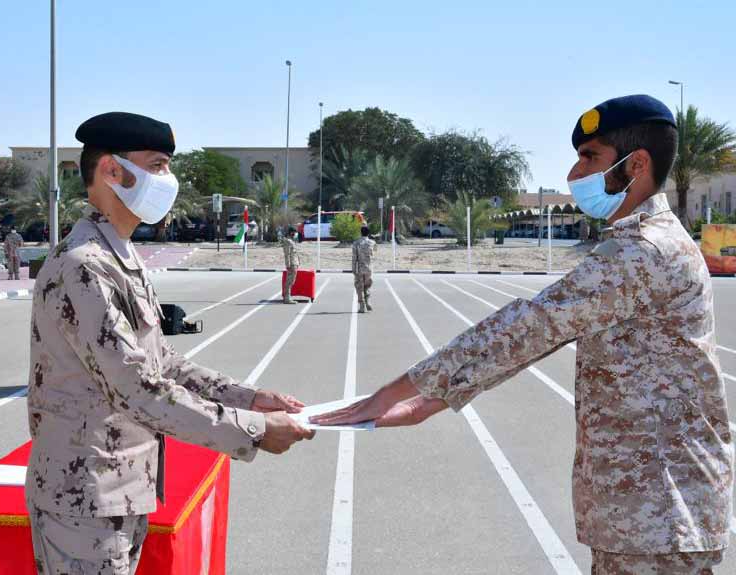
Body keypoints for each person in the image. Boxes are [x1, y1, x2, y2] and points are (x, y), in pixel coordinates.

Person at [313, 95, 732, 573]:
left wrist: (402, 391)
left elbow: (533, 324)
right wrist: (433, 398)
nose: (575, 174)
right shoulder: (641, 243)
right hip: (644, 510)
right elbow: (545, 333)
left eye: (590, 157)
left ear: (636, 165)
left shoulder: (645, 252)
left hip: (660, 511)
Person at [27, 112, 314, 575]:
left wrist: (252, 399)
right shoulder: (83, 265)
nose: (168, 179)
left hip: (121, 488)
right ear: (111, 171)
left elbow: (163, 362)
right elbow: (137, 387)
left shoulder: (120, 255)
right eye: (157, 165)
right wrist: (254, 429)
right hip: (83, 497)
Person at [351, 225, 376, 313]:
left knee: (359, 286)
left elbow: (354, 257)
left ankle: (362, 305)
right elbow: (374, 253)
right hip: (369, 268)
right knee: (367, 285)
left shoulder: (356, 243)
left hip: (359, 268)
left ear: (361, 232)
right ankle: (368, 301)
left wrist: (353, 269)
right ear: (368, 233)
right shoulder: (372, 243)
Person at [281, 226, 300, 304]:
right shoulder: (287, 241)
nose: (295, 234)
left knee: (291, 281)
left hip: (294, 263)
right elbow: (287, 254)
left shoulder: (291, 241)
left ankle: (288, 297)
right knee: (289, 281)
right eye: (294, 232)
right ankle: (287, 298)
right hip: (291, 264)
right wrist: (288, 265)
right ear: (291, 233)